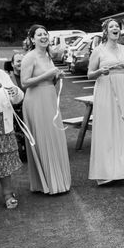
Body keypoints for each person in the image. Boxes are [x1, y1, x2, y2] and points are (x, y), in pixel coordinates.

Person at [87, 19, 124, 185]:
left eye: (117, 27)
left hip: (122, 88)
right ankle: (106, 171)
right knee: (107, 127)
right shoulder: (98, 51)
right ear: (106, 31)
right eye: (111, 26)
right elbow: (89, 74)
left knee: (123, 126)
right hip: (105, 88)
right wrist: (100, 71)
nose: (115, 29)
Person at [21, 25, 71, 195]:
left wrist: (56, 76)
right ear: (32, 39)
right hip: (35, 101)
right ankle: (47, 183)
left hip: (49, 98)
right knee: (43, 138)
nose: (43, 37)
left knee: (54, 137)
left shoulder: (48, 56)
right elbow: (25, 82)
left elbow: (49, 80)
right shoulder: (30, 57)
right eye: (39, 34)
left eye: (45, 34)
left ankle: (57, 179)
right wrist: (48, 74)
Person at [0, 43, 24, 210]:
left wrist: (15, 93)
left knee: (2, 160)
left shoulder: (1, 74)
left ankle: (8, 194)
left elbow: (16, 97)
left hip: (0, 124)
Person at [7, 50, 27, 162]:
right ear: (12, 64)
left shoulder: (29, 75)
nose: (21, 63)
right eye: (18, 61)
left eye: (23, 61)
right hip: (16, 111)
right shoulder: (8, 78)